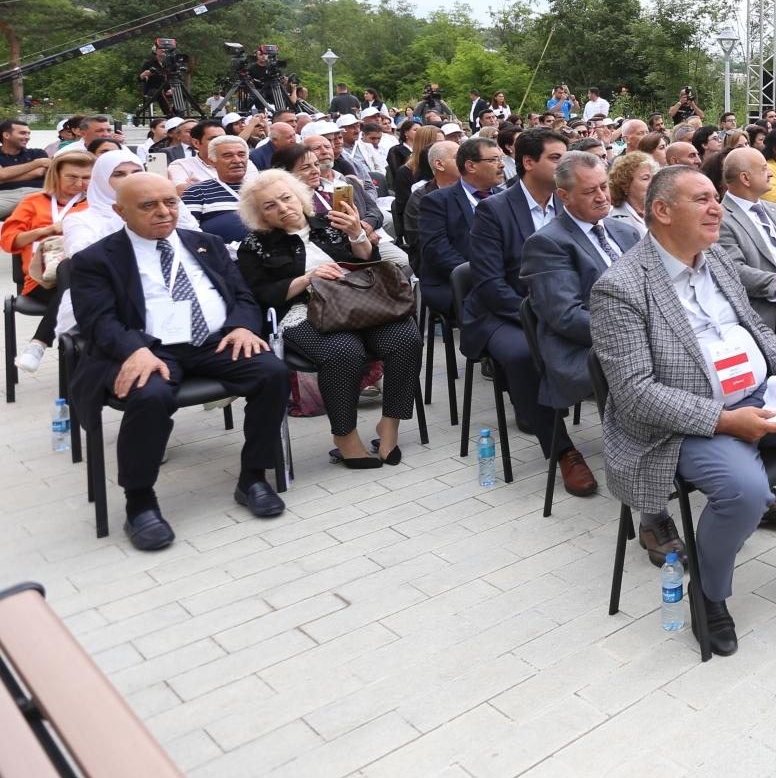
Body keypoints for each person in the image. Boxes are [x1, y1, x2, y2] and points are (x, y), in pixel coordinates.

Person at [590, 166, 776, 655]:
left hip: (759, 395)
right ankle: (708, 596)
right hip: (686, 421)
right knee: (746, 492)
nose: (717, 208)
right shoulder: (620, 287)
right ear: (662, 211)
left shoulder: (717, 260)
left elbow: (755, 327)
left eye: (715, 198)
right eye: (702, 200)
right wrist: (723, 421)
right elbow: (636, 393)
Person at [63, 172, 289, 551]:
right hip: (150, 348)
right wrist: (134, 350)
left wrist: (242, 326)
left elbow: (243, 296)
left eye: (170, 202)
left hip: (216, 341)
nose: (164, 212)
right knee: (150, 396)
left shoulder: (206, 243)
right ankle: (140, 501)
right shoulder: (96, 259)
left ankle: (253, 476)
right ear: (120, 211)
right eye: (148, 205)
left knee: (273, 373)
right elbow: (98, 320)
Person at [235, 169, 420, 468]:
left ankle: (390, 425)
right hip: (303, 311)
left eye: (286, 198)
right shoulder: (255, 245)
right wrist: (307, 278)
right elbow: (262, 295)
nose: (283, 208)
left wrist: (357, 234)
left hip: (360, 303)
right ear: (259, 215)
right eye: (270, 206)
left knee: (405, 336)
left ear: (300, 197)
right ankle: (345, 436)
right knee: (343, 350)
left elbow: (370, 264)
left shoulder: (331, 223)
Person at [465, 129, 597, 495]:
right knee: (525, 353)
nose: (565, 163)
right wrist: (540, 318)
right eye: (556, 158)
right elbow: (489, 283)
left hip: (562, 304)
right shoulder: (494, 210)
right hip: (504, 311)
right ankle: (562, 450)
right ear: (528, 162)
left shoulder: (568, 202)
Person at [521, 151, 644, 498]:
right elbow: (566, 317)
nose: (602, 196)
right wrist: (636, 333)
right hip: (583, 348)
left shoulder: (624, 231)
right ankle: (649, 478)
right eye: (590, 191)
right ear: (564, 196)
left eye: (604, 186)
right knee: (663, 373)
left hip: (634, 334)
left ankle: (714, 455)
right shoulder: (548, 242)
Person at [3, 147, 93, 372]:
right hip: (41, 281)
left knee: (80, 286)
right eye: (72, 177)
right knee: (82, 294)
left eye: (86, 178)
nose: (79, 183)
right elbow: (8, 241)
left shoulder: (95, 203)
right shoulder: (33, 202)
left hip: (87, 278)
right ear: (56, 175)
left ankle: (38, 345)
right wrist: (47, 231)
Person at [716, 148, 776, 330]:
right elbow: (734, 270)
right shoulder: (720, 220)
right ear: (745, 178)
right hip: (773, 306)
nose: (770, 173)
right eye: (763, 169)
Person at [415, 136, 505, 323]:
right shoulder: (437, 201)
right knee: (495, 310)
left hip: (502, 278)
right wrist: (482, 274)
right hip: (455, 281)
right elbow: (437, 250)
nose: (501, 165)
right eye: (493, 160)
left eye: (501, 158)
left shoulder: (505, 197)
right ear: (471, 166)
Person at [54, 150, 142, 340]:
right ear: (102, 180)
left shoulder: (159, 211)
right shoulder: (79, 219)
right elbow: (81, 256)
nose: (130, 179)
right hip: (107, 295)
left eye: (137, 172)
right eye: (119, 174)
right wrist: (125, 214)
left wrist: (172, 202)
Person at [179, 135, 257, 244]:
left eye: (241, 155)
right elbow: (188, 233)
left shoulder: (261, 189)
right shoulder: (196, 192)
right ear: (212, 161)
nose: (237, 160)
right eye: (228, 156)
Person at [0, 116, 50, 217]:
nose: (27, 137)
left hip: (36, 192)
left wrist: (4, 179)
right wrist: (36, 163)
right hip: (4, 195)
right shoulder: (38, 160)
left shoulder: (38, 153)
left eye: (28, 133)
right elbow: (2, 175)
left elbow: (38, 172)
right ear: (6, 135)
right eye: (22, 133)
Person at [607, 151, 657, 229]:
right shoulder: (613, 218)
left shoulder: (660, 210)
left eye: (654, 177)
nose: (653, 182)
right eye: (645, 178)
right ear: (626, 184)